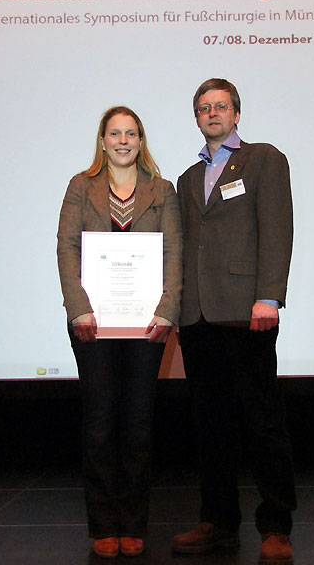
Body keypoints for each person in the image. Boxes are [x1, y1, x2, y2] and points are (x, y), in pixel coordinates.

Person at [172, 79, 296, 564]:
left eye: (221, 106)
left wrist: (268, 296)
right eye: (204, 108)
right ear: (196, 118)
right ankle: (219, 521)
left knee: (262, 422)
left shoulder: (264, 159)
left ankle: (276, 525)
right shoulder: (186, 178)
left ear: (236, 114)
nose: (212, 113)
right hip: (197, 316)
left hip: (247, 311)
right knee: (211, 426)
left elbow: (277, 229)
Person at [57, 106, 182, 558]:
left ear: (140, 141)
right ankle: (104, 525)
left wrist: (167, 310)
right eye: (115, 134)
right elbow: (67, 247)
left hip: (147, 324)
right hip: (92, 323)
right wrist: (79, 309)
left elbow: (174, 251)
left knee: (138, 424)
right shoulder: (81, 186)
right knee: (100, 422)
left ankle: (133, 524)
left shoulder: (162, 190)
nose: (123, 141)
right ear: (103, 141)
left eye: (131, 134)